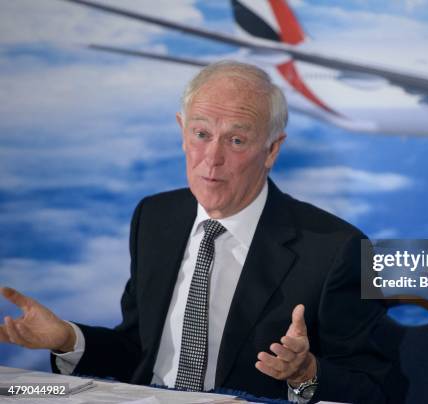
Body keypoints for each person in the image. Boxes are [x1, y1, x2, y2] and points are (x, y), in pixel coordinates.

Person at [0, 61, 387, 403]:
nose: (212, 158)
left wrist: (306, 373)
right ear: (183, 132)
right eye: (202, 134)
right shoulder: (155, 217)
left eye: (236, 140)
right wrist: (67, 339)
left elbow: (372, 388)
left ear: (271, 150)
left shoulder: (340, 248)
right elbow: (137, 351)